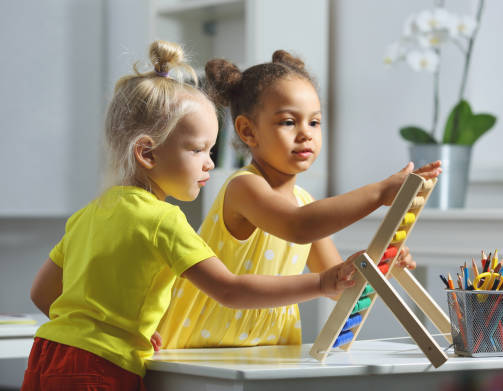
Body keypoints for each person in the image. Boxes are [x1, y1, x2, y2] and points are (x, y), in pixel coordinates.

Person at [21, 41, 360, 390]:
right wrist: (320, 283)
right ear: (148, 153)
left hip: (48, 353)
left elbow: (42, 292)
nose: (209, 163)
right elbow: (230, 291)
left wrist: (88, 333)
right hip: (101, 368)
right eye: (198, 150)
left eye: (210, 150)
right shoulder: (163, 221)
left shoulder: (89, 214)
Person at [156, 50, 442, 349]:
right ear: (247, 131)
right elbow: (298, 226)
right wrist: (380, 192)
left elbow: (338, 287)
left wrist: (382, 261)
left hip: (269, 352)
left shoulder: (303, 201)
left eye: (315, 123)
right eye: (289, 122)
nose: (306, 134)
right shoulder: (244, 187)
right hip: (198, 350)